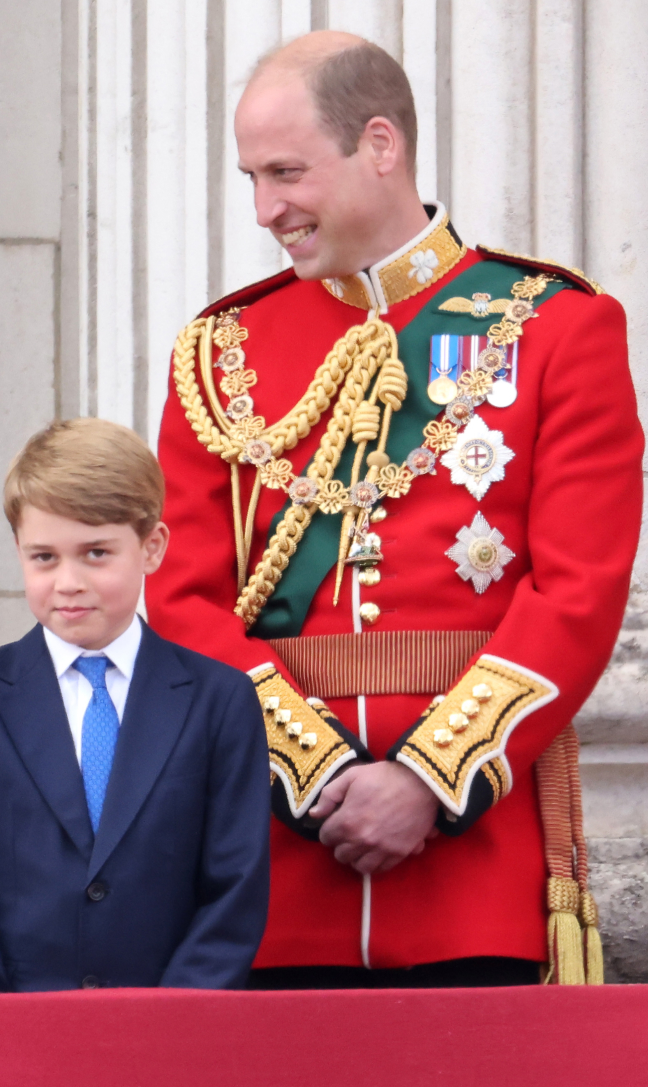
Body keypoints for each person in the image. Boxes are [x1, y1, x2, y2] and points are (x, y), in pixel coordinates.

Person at [147, 32, 640, 987]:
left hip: (476, 866)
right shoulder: (219, 354)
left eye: (285, 172)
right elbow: (180, 597)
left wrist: (428, 779)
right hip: (274, 871)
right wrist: (320, 776)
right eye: (250, 177)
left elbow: (576, 593)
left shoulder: (554, 327)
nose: (264, 209)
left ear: (380, 144)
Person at [0, 419, 270, 992]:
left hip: (169, 1041)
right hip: (11, 1041)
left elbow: (235, 885)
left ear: (152, 548)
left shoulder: (220, 700)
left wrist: (174, 1023)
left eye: (95, 553)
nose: (68, 581)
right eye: (44, 558)